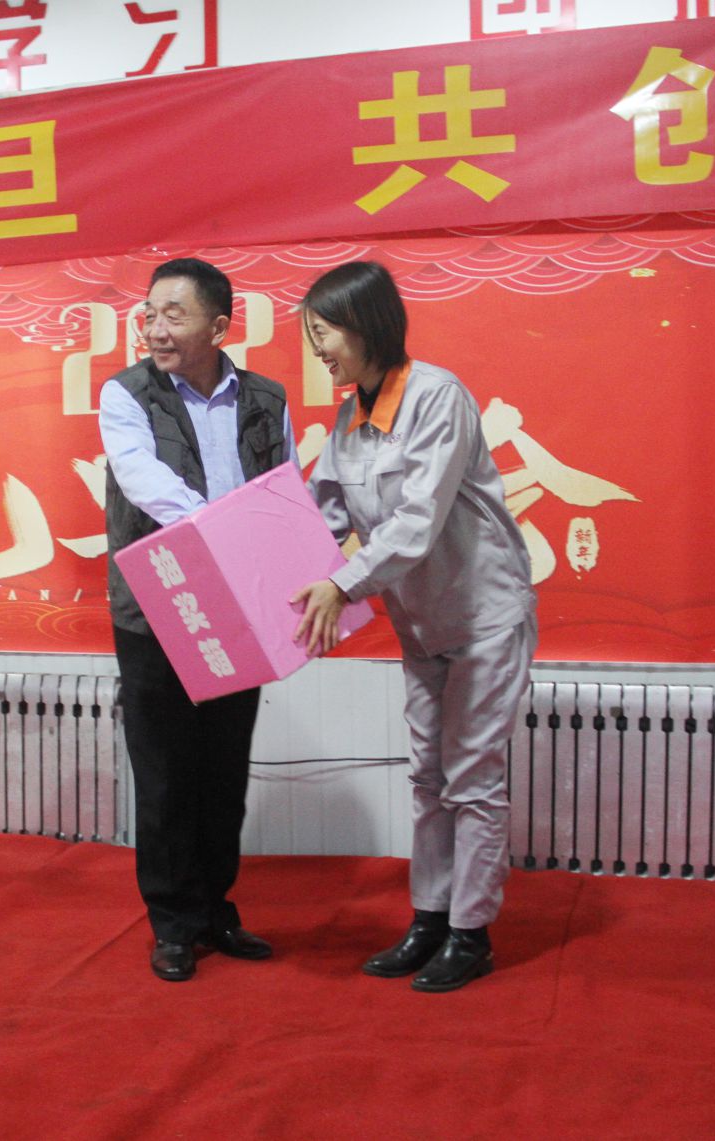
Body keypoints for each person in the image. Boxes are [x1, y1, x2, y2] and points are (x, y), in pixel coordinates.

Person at [292, 261, 536, 993]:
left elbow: (417, 521)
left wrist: (342, 582)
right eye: (311, 334)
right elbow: (320, 515)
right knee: (428, 775)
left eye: (323, 332)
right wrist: (258, 565)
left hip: (483, 615)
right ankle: (430, 918)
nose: (316, 349)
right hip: (421, 625)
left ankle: (471, 933)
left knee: (473, 777)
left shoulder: (437, 396)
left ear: (366, 325)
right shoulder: (350, 420)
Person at [100, 257, 297, 982]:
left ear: (218, 327)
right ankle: (173, 923)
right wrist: (220, 526)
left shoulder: (267, 398)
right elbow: (141, 478)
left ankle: (217, 909)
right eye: (148, 314)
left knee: (223, 768)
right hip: (160, 603)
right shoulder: (125, 393)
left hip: (240, 603)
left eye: (173, 315)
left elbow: (285, 486)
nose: (155, 329)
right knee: (164, 772)